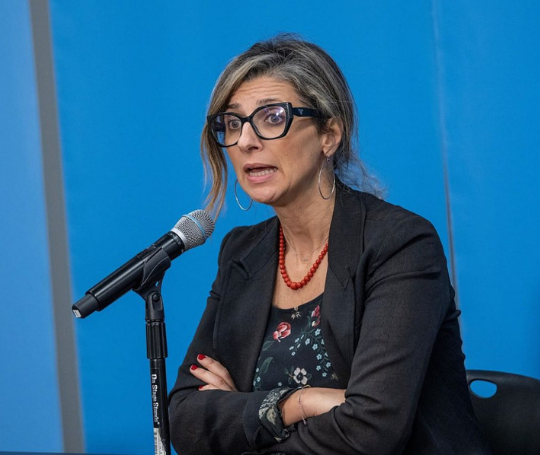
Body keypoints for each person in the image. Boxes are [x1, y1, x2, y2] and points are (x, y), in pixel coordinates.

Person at [168, 35, 489, 455]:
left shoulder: (400, 244)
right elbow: (185, 419)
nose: (245, 141)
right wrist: (297, 404)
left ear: (329, 135)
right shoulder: (242, 253)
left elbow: (371, 428)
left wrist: (242, 415)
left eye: (271, 117)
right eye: (232, 123)